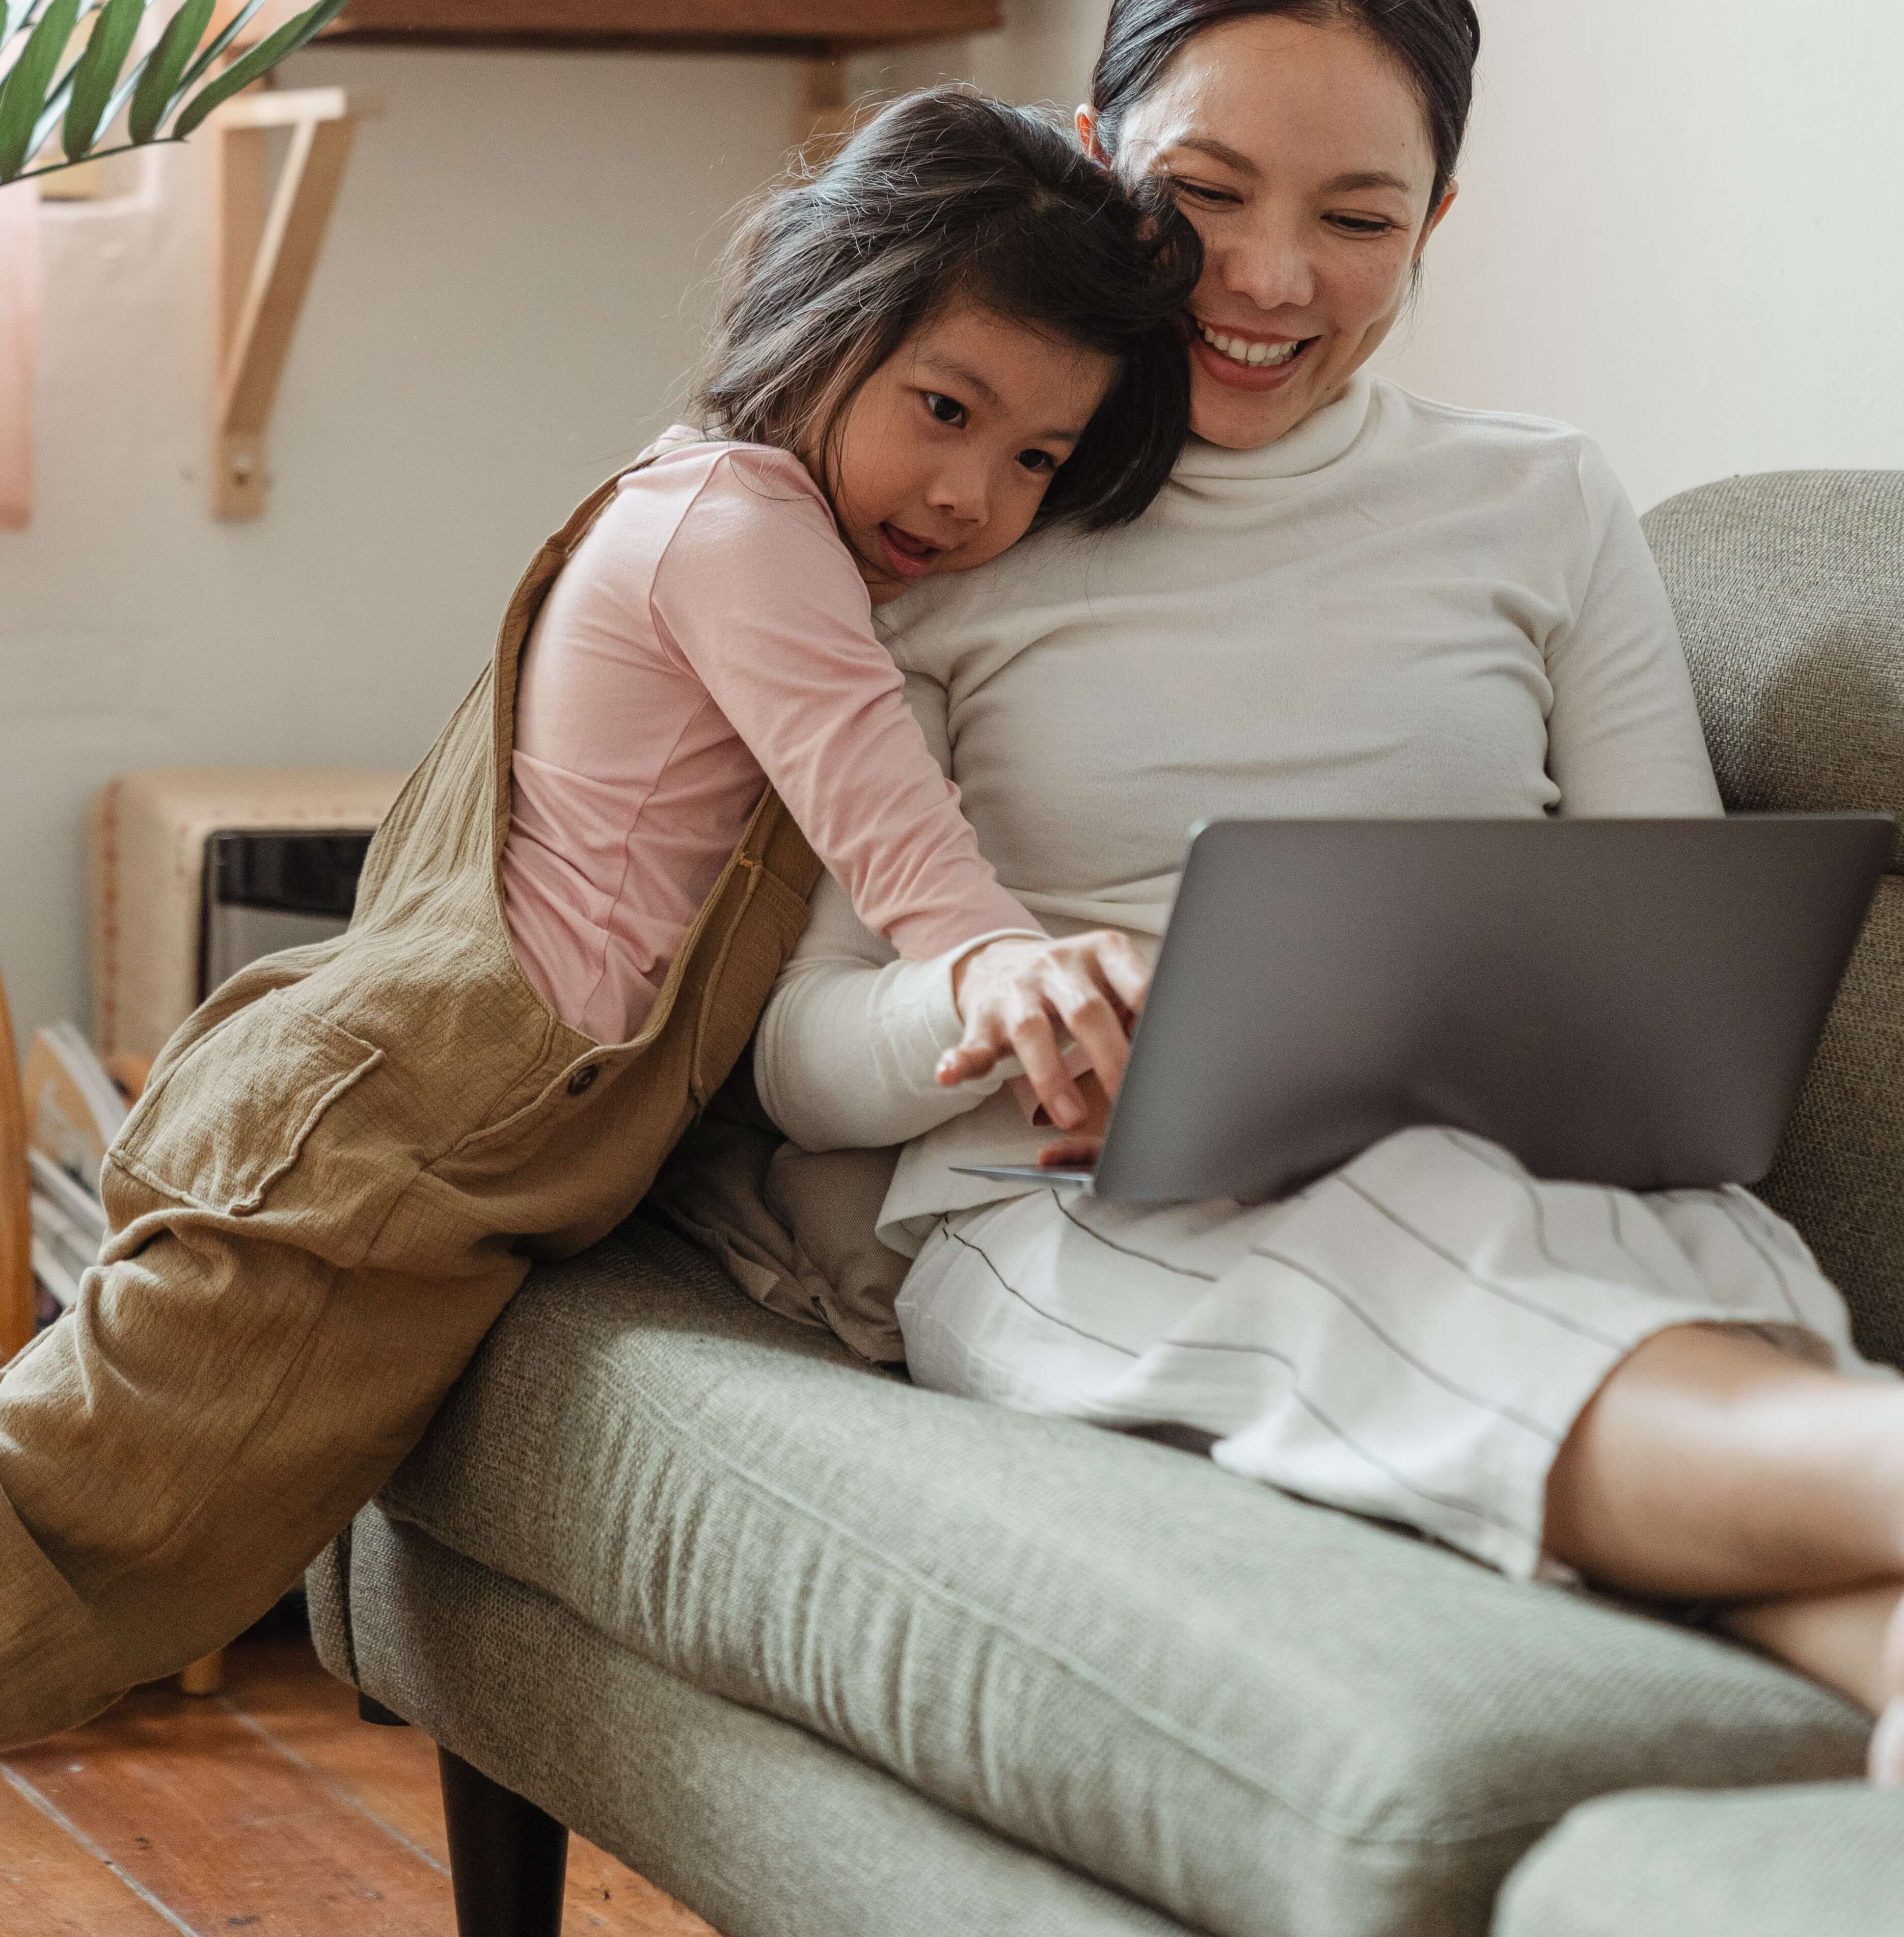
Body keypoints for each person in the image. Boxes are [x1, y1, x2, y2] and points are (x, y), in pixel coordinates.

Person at [754, 0, 1904, 1786]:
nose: (1265, 280)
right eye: (1201, 194)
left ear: (1433, 228)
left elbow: (1679, 954)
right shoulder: (965, 514)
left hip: (1546, 1167)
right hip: (1081, 1206)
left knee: (1565, 1243)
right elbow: (802, 1060)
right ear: (1090, 157)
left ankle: (1894, 1642)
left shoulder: (1538, 502)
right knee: (1418, 1243)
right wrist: (997, 993)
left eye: (1357, 221)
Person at [0, 90, 1199, 1747]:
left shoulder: (717, 512)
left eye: (1034, 460)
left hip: (435, 1150)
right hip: (396, 1143)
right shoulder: (742, 531)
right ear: (819, 312)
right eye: (943, 407)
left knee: (125, 1537)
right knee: (80, 1518)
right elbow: (888, 819)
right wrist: (1007, 965)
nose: (970, 492)